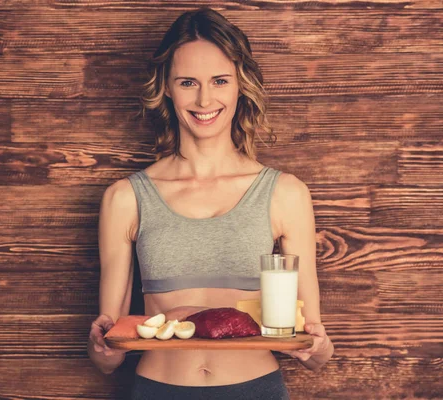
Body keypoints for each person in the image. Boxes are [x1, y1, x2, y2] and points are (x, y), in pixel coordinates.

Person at [88, 7, 334, 399]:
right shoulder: (125, 198)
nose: (205, 99)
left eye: (220, 80)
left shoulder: (286, 193)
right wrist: (101, 346)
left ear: (240, 85)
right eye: (188, 82)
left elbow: (316, 352)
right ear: (167, 87)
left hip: (256, 389)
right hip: (158, 390)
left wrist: (316, 346)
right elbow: (108, 359)